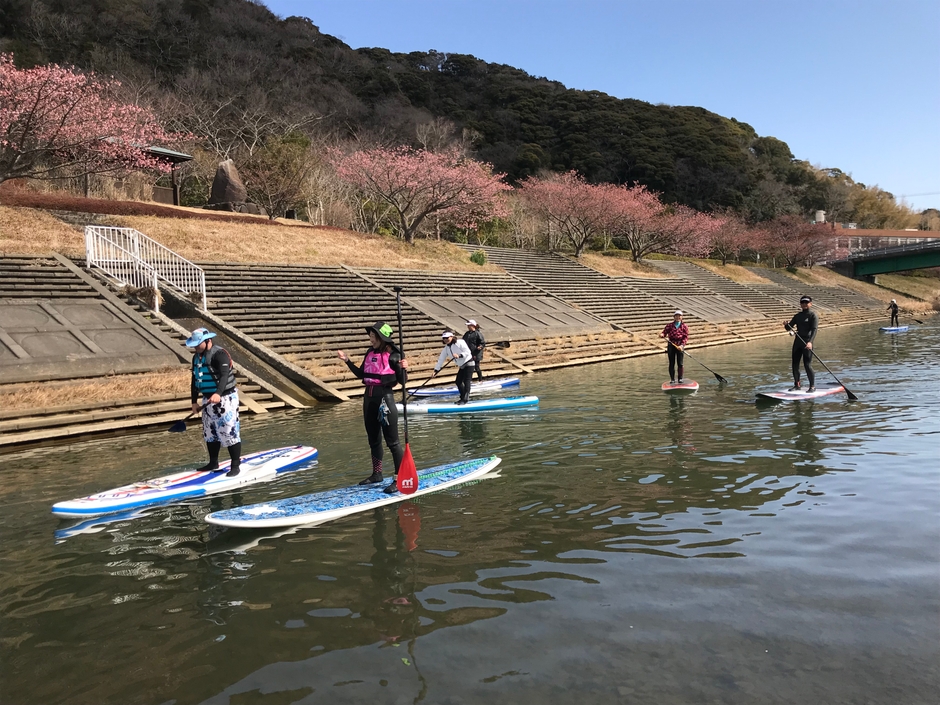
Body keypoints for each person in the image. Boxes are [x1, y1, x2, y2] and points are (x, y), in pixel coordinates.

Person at [337, 322, 409, 492]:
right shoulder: (369, 353)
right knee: (373, 439)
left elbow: (403, 381)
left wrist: (404, 368)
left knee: (393, 442)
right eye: (370, 337)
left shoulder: (394, 356)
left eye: (373, 337)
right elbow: (362, 374)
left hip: (385, 399)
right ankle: (377, 474)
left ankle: (399, 478)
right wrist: (347, 361)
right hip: (369, 399)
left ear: (382, 337)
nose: (371, 340)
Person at [187, 327, 242, 476]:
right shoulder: (196, 357)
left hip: (225, 398)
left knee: (228, 431)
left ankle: (235, 465)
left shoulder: (220, 354)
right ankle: (213, 462)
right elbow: (195, 379)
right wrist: (194, 402)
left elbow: (224, 376)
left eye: (198, 344)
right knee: (210, 432)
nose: (196, 347)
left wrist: (218, 393)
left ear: (208, 340)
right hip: (207, 399)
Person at [783, 295, 819, 392]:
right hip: (797, 343)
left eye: (806, 302)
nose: (804, 304)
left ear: (810, 304)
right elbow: (789, 328)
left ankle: (812, 386)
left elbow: (814, 330)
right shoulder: (798, 316)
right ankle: (797, 385)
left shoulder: (813, 315)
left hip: (807, 342)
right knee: (795, 364)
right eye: (802, 302)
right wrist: (786, 325)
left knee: (807, 365)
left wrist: (810, 342)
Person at [435, 331, 475, 404]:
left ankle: (465, 399)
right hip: (462, 365)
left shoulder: (460, 342)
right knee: (458, 381)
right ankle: (462, 397)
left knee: (466, 381)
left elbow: (468, 352)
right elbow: (441, 359)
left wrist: (459, 355)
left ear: (452, 337)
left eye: (447, 338)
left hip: (469, 362)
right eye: (444, 338)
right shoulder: (446, 348)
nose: (445, 339)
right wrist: (436, 370)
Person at [659, 310, 689, 384]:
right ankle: (672, 379)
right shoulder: (669, 325)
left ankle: (680, 379)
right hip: (671, 346)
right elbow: (664, 332)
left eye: (679, 316)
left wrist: (682, 346)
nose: (678, 317)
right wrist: (662, 334)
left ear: (682, 317)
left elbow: (685, 337)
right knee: (671, 363)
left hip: (680, 346)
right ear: (674, 317)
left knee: (680, 363)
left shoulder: (684, 326)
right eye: (676, 316)